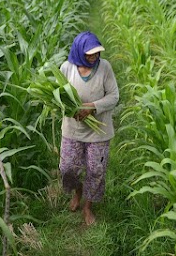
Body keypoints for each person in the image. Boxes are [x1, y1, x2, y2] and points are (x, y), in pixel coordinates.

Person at [59, 31, 119, 226]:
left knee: (95, 169)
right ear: (78, 52)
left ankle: (87, 207)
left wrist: (91, 107)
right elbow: (57, 97)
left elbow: (114, 97)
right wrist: (69, 109)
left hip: (98, 130)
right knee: (67, 168)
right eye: (89, 54)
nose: (94, 57)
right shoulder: (67, 68)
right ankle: (77, 191)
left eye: (96, 53)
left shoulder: (105, 68)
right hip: (72, 129)